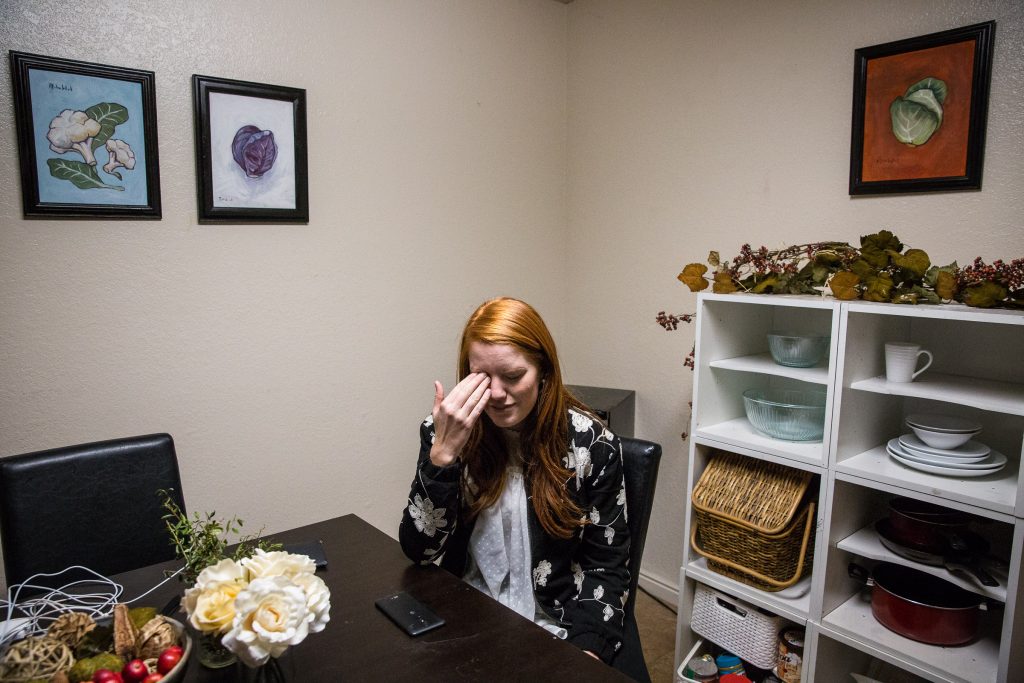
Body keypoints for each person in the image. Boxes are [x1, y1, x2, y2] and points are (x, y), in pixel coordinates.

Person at [399, 297, 637, 676]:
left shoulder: (592, 443)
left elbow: (607, 565)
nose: (496, 393)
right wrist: (442, 456)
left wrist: (588, 651)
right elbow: (421, 552)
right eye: (481, 377)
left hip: (555, 621)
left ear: (543, 371)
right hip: (466, 612)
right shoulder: (443, 430)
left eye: (512, 376)